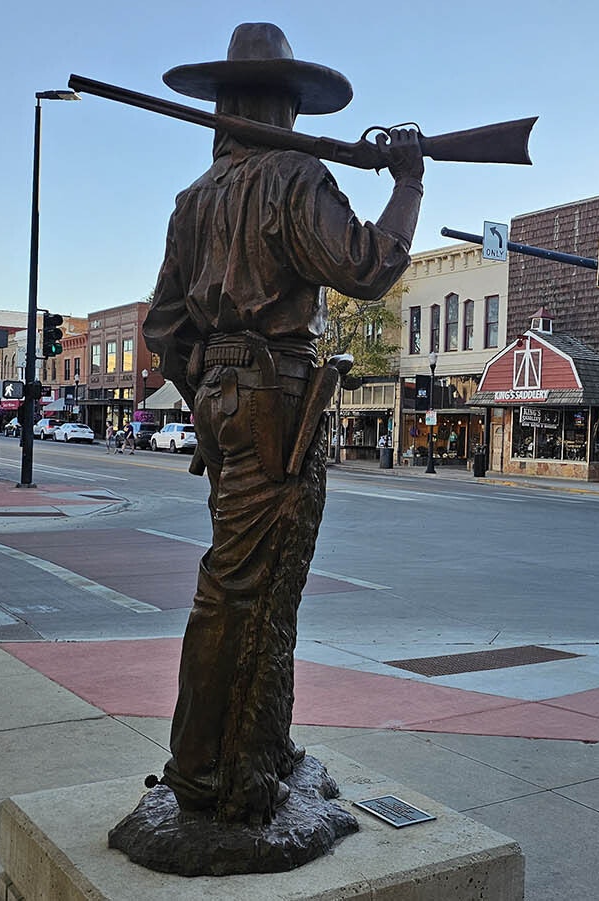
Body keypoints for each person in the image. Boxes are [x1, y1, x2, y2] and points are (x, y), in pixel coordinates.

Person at [142, 22, 423, 824]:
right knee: (250, 586)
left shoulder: (194, 200)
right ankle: (211, 769)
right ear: (281, 106)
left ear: (228, 105)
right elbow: (366, 265)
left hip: (230, 400)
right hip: (276, 398)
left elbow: (165, 329)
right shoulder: (294, 176)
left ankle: (254, 746)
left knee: (247, 581)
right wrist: (409, 184)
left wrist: (208, 392)